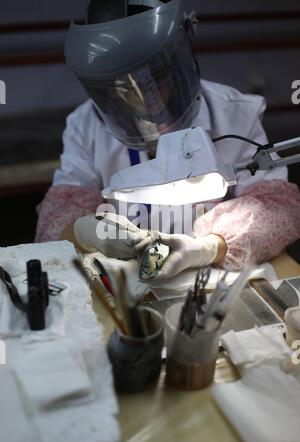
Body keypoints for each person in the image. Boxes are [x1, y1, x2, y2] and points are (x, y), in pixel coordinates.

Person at [35, 0, 300, 278]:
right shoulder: (85, 126)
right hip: (128, 285)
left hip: (214, 278)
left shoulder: (234, 114)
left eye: (155, 80)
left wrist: (206, 248)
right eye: (123, 86)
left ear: (178, 62)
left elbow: (276, 208)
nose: (142, 100)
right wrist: (86, 232)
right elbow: (57, 218)